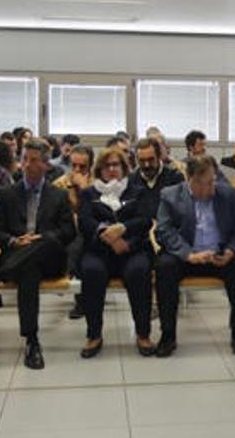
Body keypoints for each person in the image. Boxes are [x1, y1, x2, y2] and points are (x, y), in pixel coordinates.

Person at [0, 139, 76, 369]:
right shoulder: (8, 193)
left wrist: (41, 239)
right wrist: (13, 240)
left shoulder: (58, 195)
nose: (27, 165)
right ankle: (31, 340)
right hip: (18, 256)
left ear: (46, 165)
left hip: (50, 256)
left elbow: (69, 231)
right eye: (24, 159)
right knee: (29, 271)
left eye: (34, 160)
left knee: (47, 239)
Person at [155, 156, 235, 357]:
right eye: (206, 182)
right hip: (187, 256)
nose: (212, 187)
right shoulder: (170, 195)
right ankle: (168, 335)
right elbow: (164, 231)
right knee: (164, 266)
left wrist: (230, 251)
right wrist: (188, 254)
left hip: (218, 255)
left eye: (213, 180)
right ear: (189, 179)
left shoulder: (227, 194)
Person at [78, 147, 155, 358]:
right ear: (99, 169)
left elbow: (144, 220)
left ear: (124, 168)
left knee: (139, 271)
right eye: (107, 166)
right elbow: (85, 223)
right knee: (91, 272)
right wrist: (106, 233)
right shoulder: (88, 193)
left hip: (131, 249)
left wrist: (124, 231)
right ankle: (94, 335)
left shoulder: (137, 191)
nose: (112, 169)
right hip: (99, 250)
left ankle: (143, 334)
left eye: (116, 165)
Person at [52, 145, 94, 320]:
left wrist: (84, 190)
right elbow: (53, 216)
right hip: (68, 233)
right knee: (76, 239)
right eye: (74, 165)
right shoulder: (59, 184)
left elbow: (102, 211)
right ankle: (82, 298)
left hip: (94, 230)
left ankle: (69, 275)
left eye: (82, 167)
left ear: (90, 166)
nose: (76, 170)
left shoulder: (99, 183)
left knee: (83, 237)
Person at [130, 138, 185, 215]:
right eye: (142, 161)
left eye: (151, 159)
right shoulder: (131, 180)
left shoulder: (175, 177)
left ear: (159, 156)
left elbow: (182, 210)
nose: (147, 165)